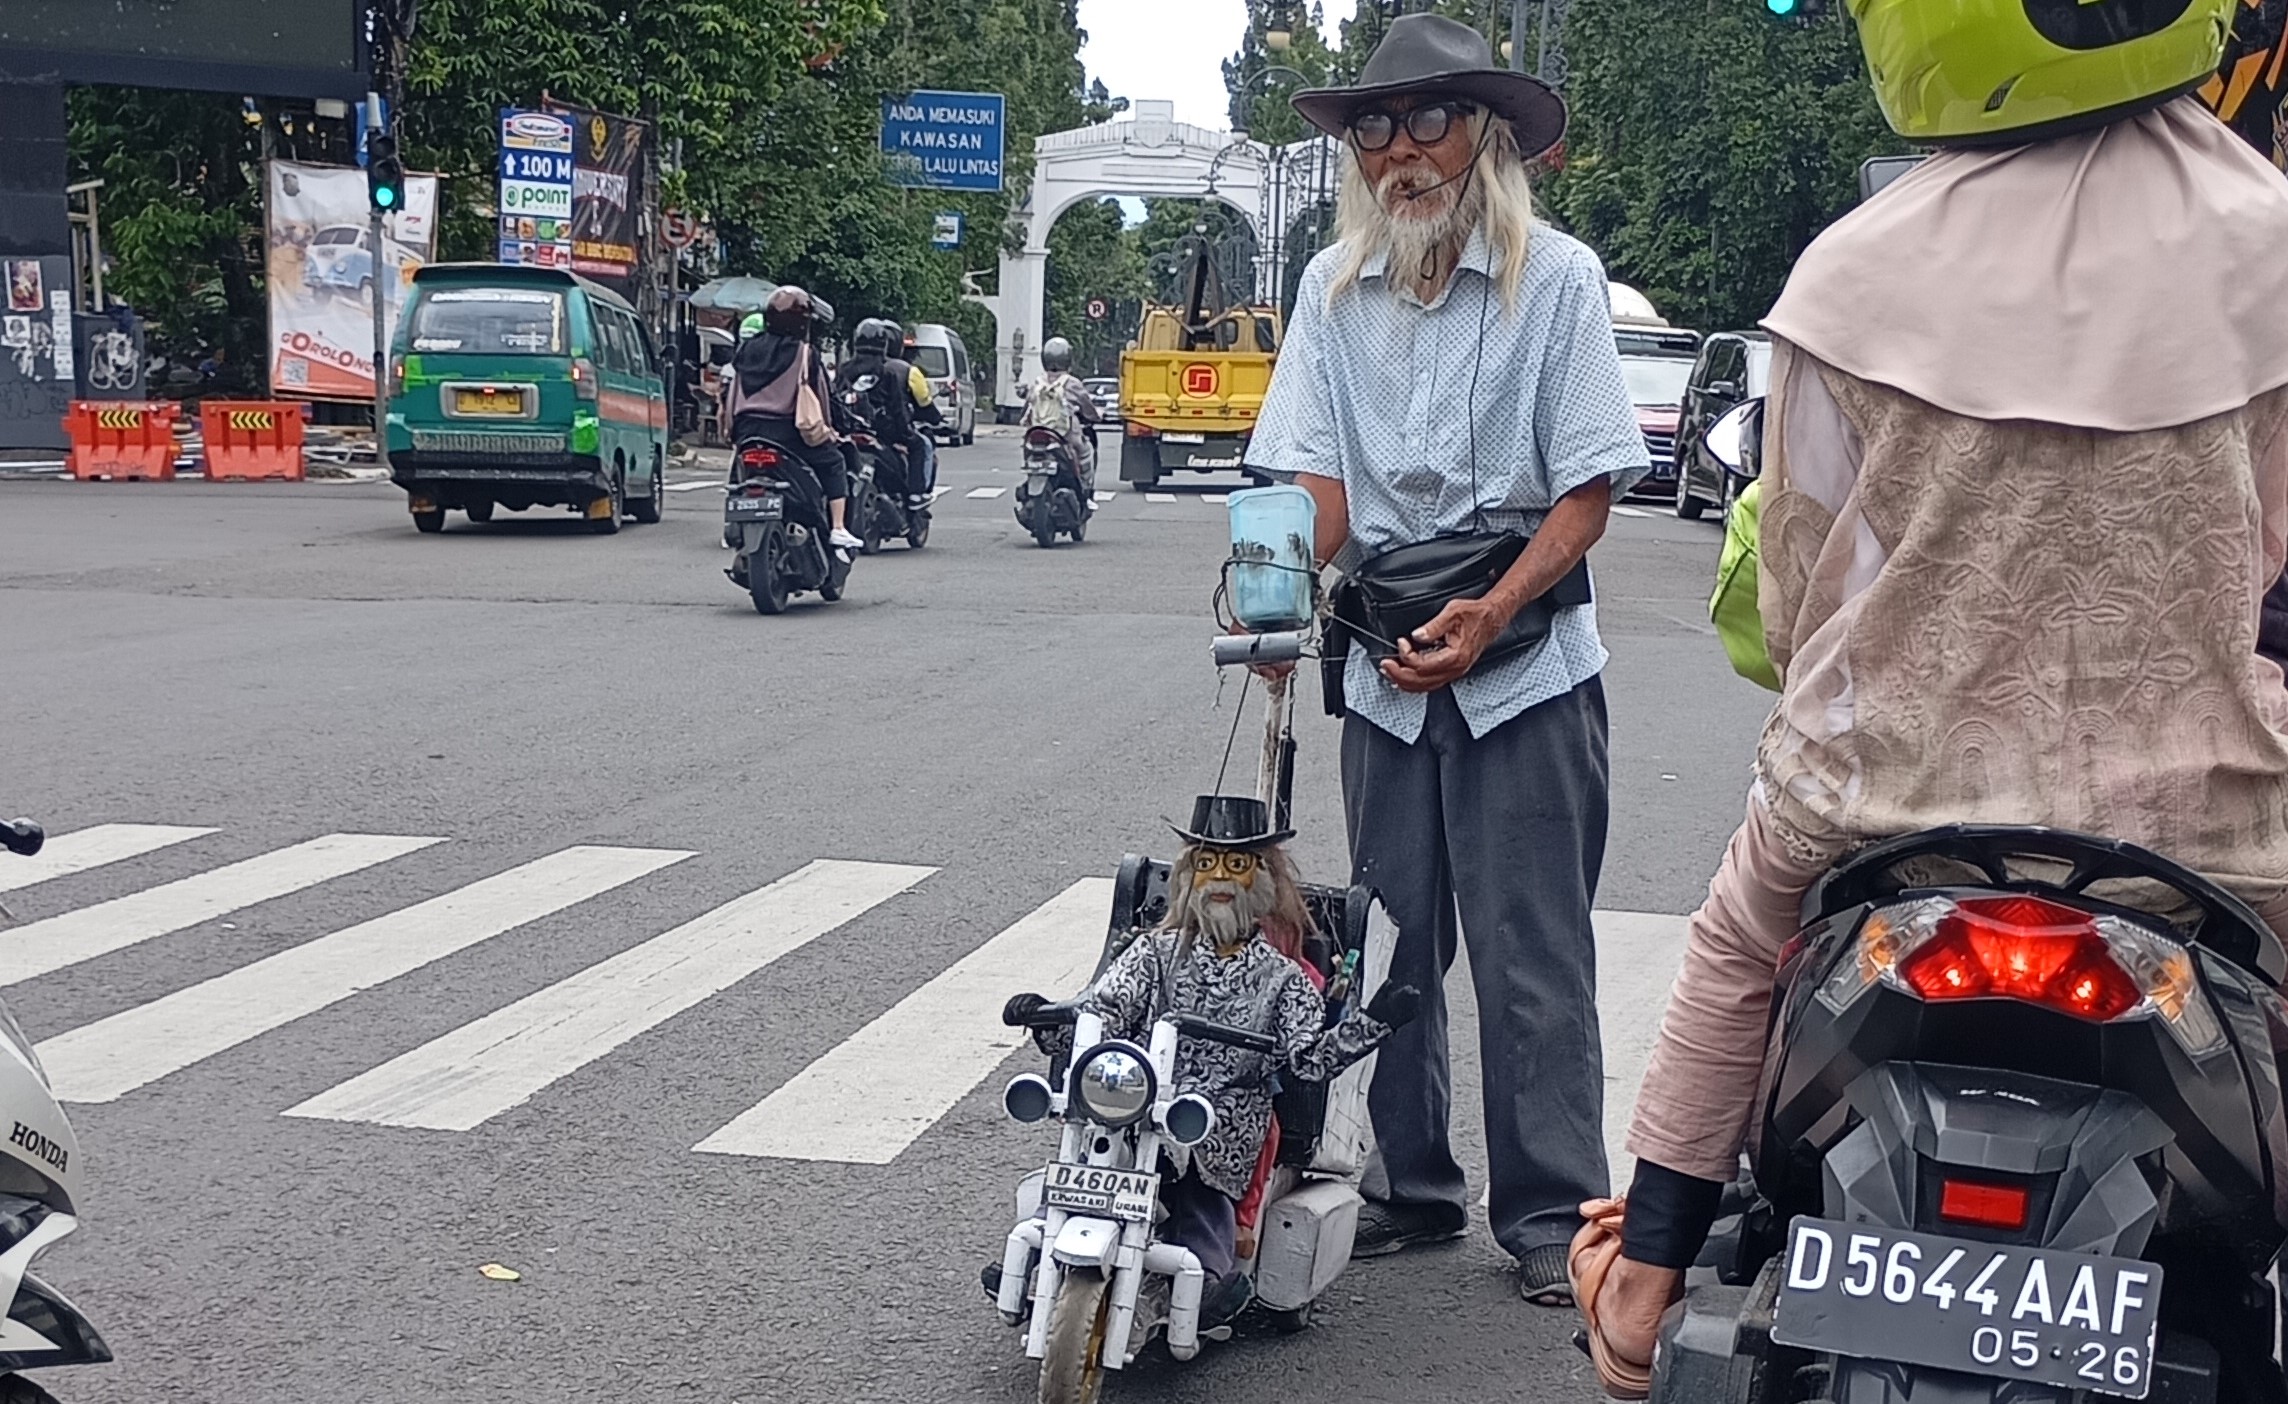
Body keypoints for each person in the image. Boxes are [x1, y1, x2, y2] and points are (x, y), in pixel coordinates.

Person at [1566, 5, 2288, 1395]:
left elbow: (1794, 603)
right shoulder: (2274, 242)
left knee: (1734, 950)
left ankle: (1646, 1278)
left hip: (1889, 804)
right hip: (2220, 830)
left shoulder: (1856, 271)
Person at [1243, 13, 1648, 1305]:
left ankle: (1547, 1214)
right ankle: (1410, 1186)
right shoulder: (1330, 286)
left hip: (1525, 655)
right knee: (1387, 940)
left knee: (1534, 950)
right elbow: (1317, 480)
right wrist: (1274, 595)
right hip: (1385, 654)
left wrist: (1488, 610)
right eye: (1375, 128)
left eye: (1428, 122)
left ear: (1484, 138)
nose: (1400, 152)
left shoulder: (1561, 279)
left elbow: (1586, 492)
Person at [1002, 795, 1421, 1328]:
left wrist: (1373, 1021)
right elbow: (1103, 1009)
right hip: (1137, 1096)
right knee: (1086, 1163)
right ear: (1188, 877)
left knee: (1201, 1207)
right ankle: (1037, 1252)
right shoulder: (1156, 952)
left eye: (1237, 865)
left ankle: (1208, 1281)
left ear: (1261, 881)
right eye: (1206, 864)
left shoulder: (1283, 978)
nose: (1219, 877)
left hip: (1218, 1120)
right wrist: (1051, 1019)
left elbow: (1310, 1061)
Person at [721, 288, 863, 553]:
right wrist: (831, 430)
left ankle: (732, 525)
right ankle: (839, 528)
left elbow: (732, 391)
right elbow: (820, 397)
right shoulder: (804, 354)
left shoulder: (746, 350)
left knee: (739, 475)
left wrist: (731, 430)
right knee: (834, 462)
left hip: (747, 433)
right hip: (789, 434)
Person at [833, 319, 935, 509]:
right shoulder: (887, 372)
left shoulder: (844, 370)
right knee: (920, 445)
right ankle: (915, 495)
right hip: (882, 432)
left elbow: (834, 399)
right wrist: (906, 435)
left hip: (846, 429)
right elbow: (897, 409)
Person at [1022, 337, 1101, 504]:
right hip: (1064, 434)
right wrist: (1095, 417)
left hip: (1035, 433)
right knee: (1086, 453)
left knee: (1028, 455)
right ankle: (1085, 493)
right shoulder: (1072, 383)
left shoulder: (1037, 383)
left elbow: (1027, 406)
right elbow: (1087, 408)